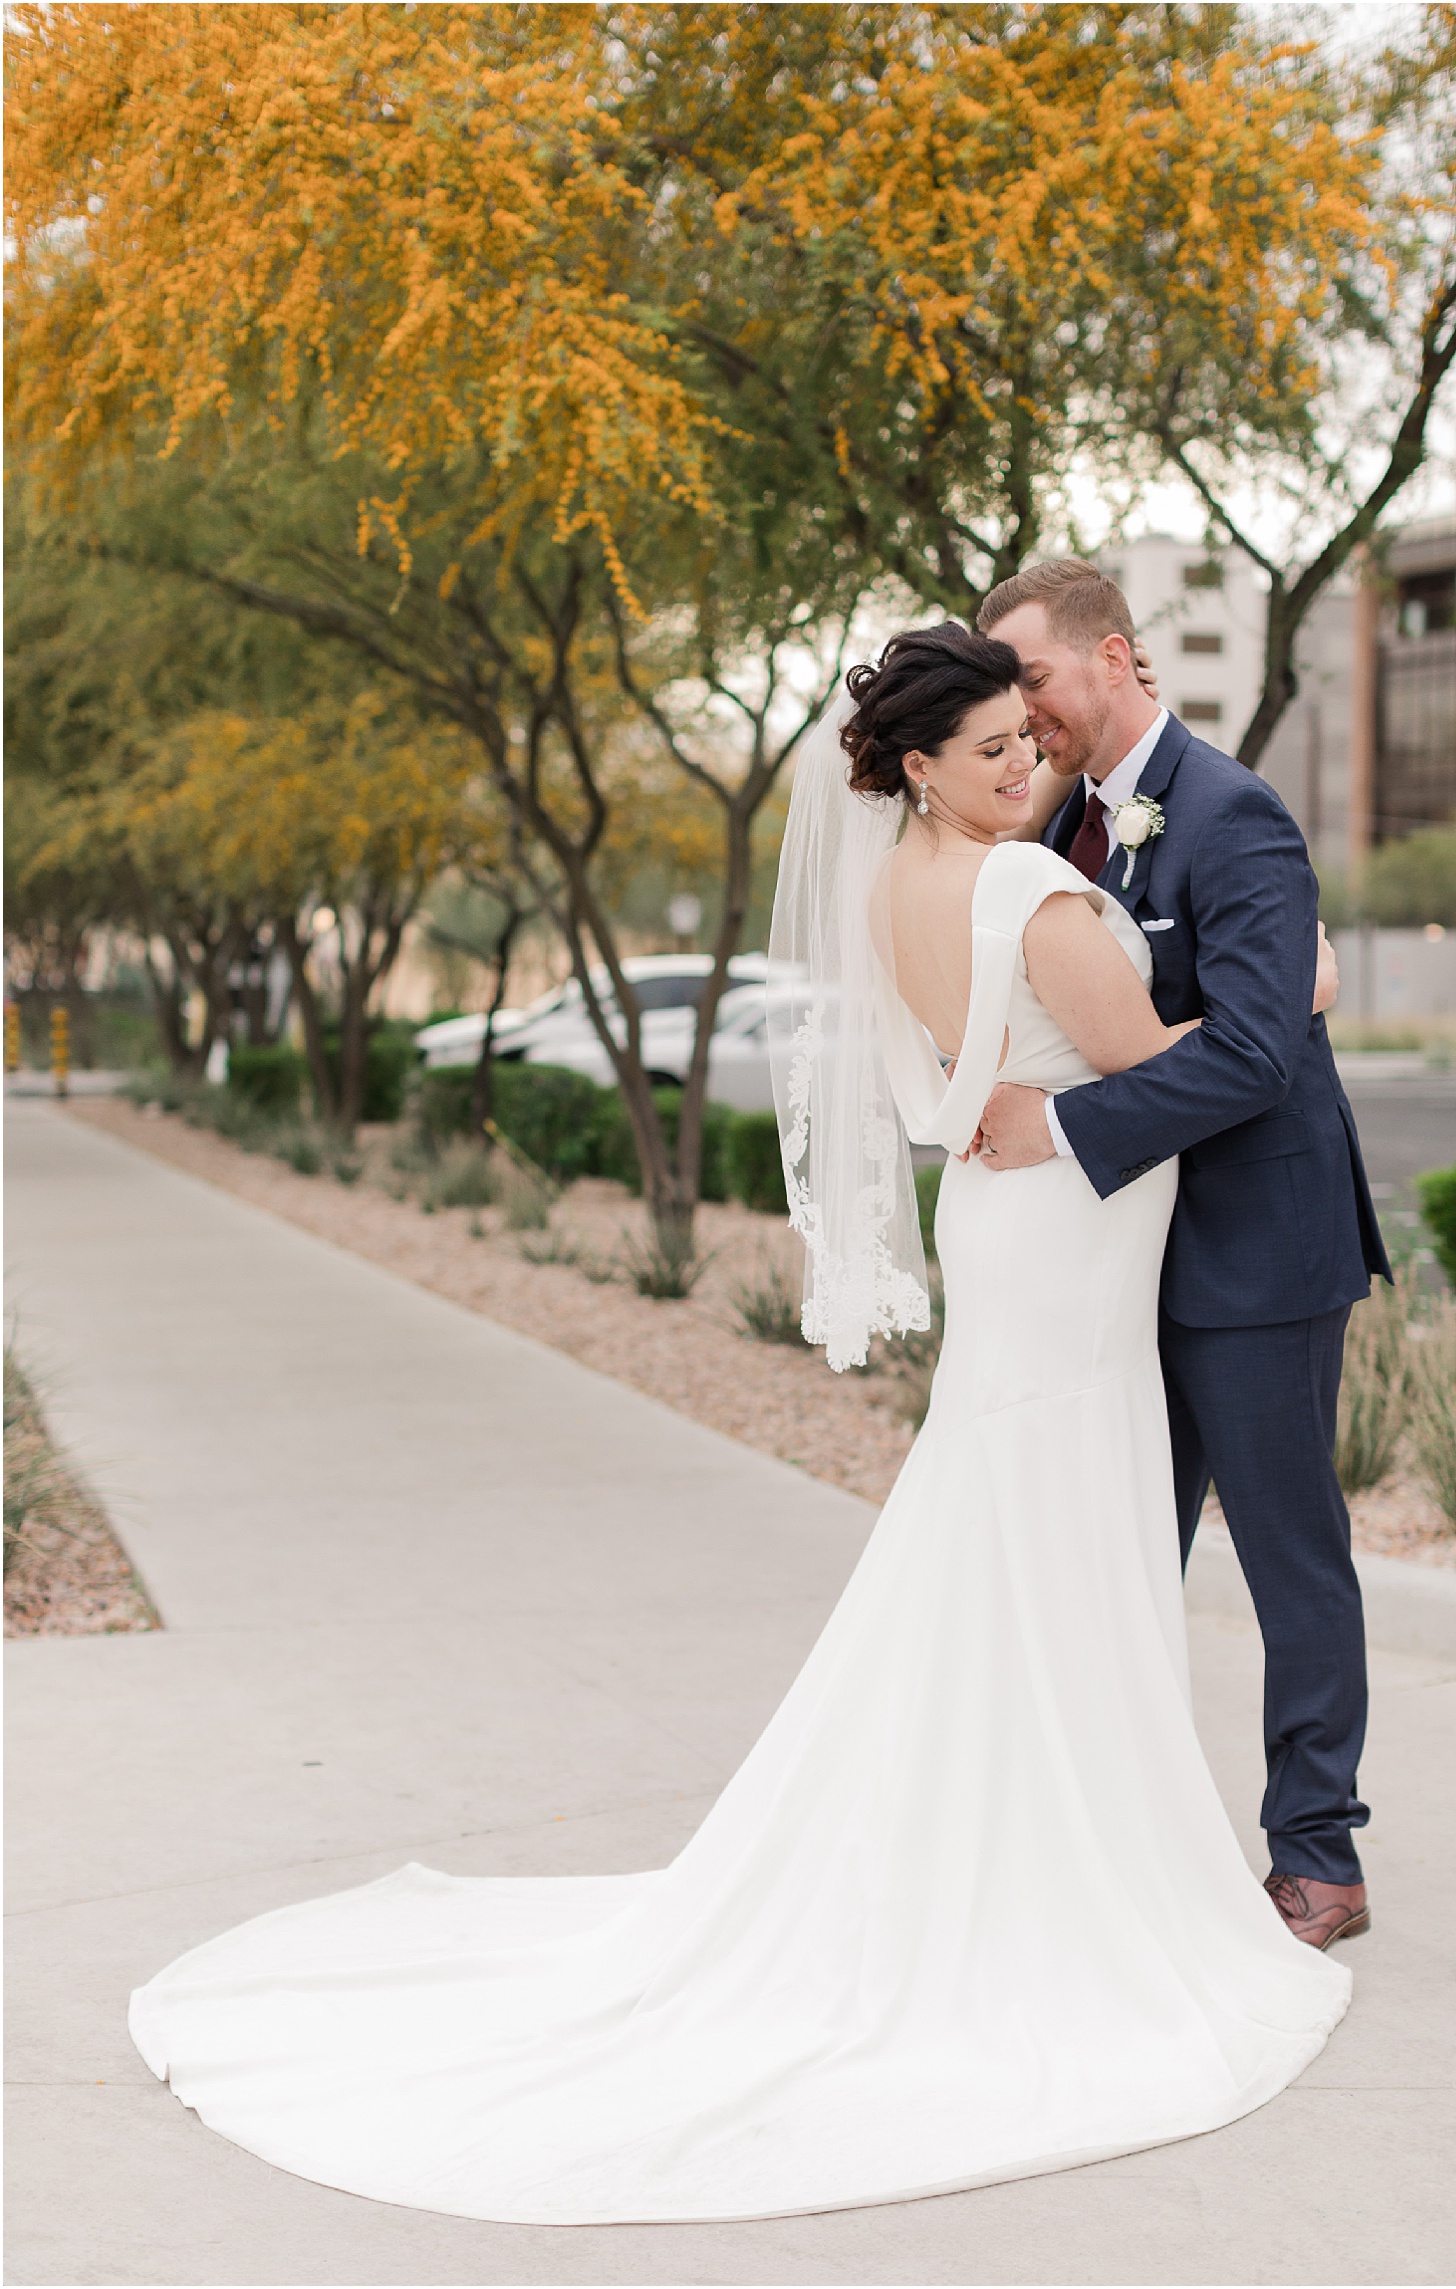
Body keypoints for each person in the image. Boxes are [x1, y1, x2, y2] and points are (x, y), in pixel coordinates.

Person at [127, 623, 1353, 2227]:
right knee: (1062, 1537)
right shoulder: (1031, 887)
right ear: (918, 764)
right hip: (1064, 1247)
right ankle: (1067, 1860)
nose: (1025, 760)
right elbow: (1197, 1051)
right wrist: (1307, 984)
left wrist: (1085, 1077)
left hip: (1034, 1240)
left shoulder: (917, 876)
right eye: (991, 745)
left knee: (1021, 1537)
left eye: (1025, 737)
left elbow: (998, 1069)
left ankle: (1058, 1829)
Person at [974, 557, 1390, 1950]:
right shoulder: (1063, 823)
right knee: (1116, 1548)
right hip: (1119, 1270)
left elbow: (1268, 1052)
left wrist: (1065, 1130)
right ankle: (1108, 1832)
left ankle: (1318, 1856)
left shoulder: (1235, 812)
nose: (1020, 712)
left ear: (1113, 658)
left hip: (1261, 1252)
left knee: (1290, 1559)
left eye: (1031, 677)